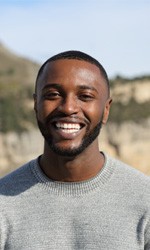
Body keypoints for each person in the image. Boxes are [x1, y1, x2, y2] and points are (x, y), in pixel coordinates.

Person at [0, 50, 150, 250]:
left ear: (106, 110)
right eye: (53, 95)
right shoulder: (3, 203)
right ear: (36, 104)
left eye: (85, 96)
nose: (68, 107)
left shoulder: (144, 199)